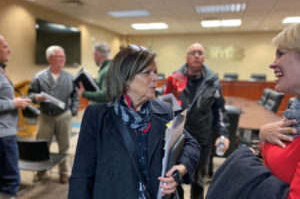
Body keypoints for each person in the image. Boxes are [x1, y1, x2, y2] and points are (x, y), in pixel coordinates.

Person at [68, 45, 200, 199]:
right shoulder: (97, 116)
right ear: (125, 80)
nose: (155, 78)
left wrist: (181, 168)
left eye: (155, 72)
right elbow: (82, 176)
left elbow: (191, 144)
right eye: (146, 73)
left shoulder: (164, 110)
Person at [206, 23, 300, 199]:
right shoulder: (294, 114)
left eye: (281, 54)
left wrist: (244, 160)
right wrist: (263, 133)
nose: (273, 64)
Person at [163, 43, 229, 199]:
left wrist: (223, 134)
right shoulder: (174, 79)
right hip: (178, 138)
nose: (196, 55)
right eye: (193, 52)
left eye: (200, 52)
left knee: (199, 181)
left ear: (204, 58)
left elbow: (219, 110)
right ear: (187, 57)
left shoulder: (213, 82)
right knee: (176, 178)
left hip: (202, 139)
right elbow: (166, 106)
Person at [28, 45, 80, 184]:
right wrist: (36, 98)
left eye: (64, 56)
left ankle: (63, 172)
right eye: (60, 56)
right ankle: (41, 170)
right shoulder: (39, 77)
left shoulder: (69, 77)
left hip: (64, 115)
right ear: (51, 58)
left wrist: (73, 111)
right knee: (42, 145)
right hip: (45, 116)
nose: (63, 59)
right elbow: (30, 94)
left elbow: (75, 96)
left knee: (64, 145)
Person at [0, 35, 31, 198]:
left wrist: (20, 100)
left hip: (7, 132)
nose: (9, 50)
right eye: (5, 47)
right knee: (11, 180)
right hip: (4, 136)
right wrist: (14, 104)